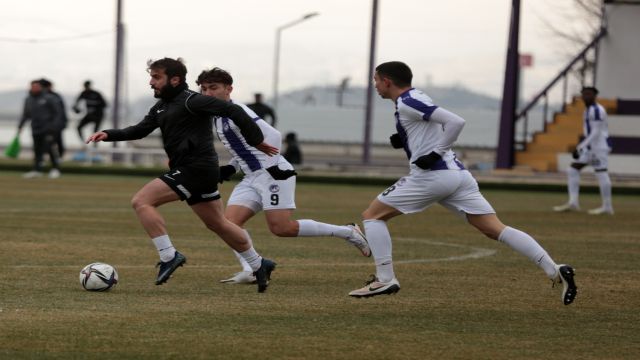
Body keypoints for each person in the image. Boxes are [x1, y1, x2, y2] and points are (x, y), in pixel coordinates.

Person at [348, 61, 578, 306]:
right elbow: (432, 125)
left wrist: (435, 152)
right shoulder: (415, 97)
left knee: (372, 216)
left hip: (433, 176)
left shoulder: (408, 101)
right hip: (458, 176)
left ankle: (385, 279)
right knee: (494, 229)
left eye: (375, 80)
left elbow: (456, 122)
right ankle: (555, 270)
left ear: (387, 81)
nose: (374, 85)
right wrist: (405, 137)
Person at [86, 58, 279, 292]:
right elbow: (138, 130)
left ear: (175, 79)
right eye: (152, 77)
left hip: (195, 169)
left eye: (157, 77)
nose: (151, 82)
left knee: (142, 201)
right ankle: (258, 263)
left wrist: (255, 140)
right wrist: (108, 133)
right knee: (217, 223)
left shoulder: (192, 100)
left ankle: (169, 256)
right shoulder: (161, 107)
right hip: (197, 171)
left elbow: (232, 109)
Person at [196, 67, 370, 284]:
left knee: (282, 228)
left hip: (274, 174)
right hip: (251, 177)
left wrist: (271, 166)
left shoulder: (238, 111)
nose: (208, 93)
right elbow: (247, 147)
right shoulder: (216, 117)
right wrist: (232, 167)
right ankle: (252, 269)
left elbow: (273, 135)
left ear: (229, 89)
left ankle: (348, 232)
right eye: (204, 89)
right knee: (229, 225)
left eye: (214, 88)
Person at [553, 86, 613, 215]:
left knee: (601, 173)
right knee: (573, 169)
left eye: (589, 94)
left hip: (599, 147)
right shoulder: (588, 110)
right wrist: (584, 147)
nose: (586, 96)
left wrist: (580, 146)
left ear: (595, 95)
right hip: (590, 147)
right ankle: (573, 202)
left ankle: (607, 206)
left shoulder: (597, 110)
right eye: (584, 94)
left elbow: (596, 132)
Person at [18, 79, 64, 179]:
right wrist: (20, 126)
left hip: (48, 129)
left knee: (50, 149)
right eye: (32, 86)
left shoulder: (49, 98)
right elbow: (25, 115)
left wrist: (54, 127)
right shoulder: (28, 99)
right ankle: (37, 170)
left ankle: (55, 169)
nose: (34, 88)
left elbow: (58, 114)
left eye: (36, 86)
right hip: (35, 129)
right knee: (37, 150)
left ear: (40, 87)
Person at [39, 78, 68, 158]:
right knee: (45, 142)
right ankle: (44, 158)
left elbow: (61, 112)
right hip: (45, 125)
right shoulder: (40, 96)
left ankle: (58, 159)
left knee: (57, 141)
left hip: (56, 125)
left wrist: (61, 123)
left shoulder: (55, 96)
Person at [73, 80, 107, 145]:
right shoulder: (84, 93)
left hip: (98, 116)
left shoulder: (96, 94)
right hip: (89, 115)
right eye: (85, 87)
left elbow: (105, 104)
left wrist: (96, 105)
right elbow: (76, 103)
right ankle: (84, 143)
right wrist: (76, 109)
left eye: (87, 86)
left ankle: (95, 145)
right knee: (79, 127)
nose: (86, 88)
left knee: (95, 132)